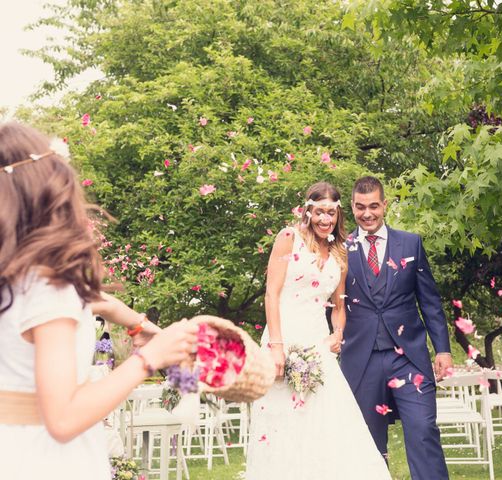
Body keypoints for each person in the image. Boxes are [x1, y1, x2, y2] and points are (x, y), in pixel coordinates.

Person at [0, 122, 198, 479]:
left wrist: (139, 326)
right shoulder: (47, 286)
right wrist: (148, 358)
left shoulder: (15, 278)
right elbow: (62, 418)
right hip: (46, 461)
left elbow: (97, 302)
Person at [245, 182, 391, 480]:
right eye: (320, 212)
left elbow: (339, 305)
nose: (326, 220)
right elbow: (271, 294)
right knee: (284, 422)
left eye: (332, 214)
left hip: (318, 345)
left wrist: (338, 333)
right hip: (282, 340)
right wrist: (276, 346)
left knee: (330, 422)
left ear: (338, 216)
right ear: (308, 211)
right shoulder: (289, 238)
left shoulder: (340, 252)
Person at [340, 176, 452, 480]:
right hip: (360, 359)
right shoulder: (340, 248)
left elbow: (429, 301)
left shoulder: (411, 243)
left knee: (423, 429)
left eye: (374, 206)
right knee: (368, 443)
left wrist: (442, 349)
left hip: (409, 357)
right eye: (361, 207)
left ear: (384, 205)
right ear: (352, 207)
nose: (367, 213)